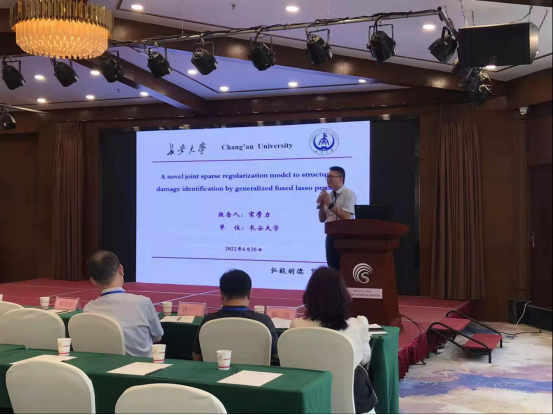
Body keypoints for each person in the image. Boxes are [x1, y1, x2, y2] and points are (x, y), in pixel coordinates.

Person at [291, 267, 375, 414]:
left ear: (310, 296)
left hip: (309, 398)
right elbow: (364, 359)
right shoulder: (358, 324)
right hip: (353, 399)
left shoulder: (296, 325)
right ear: (343, 295)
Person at [84, 250, 164, 357]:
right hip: (141, 364)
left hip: (105, 362)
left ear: (93, 281)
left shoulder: (89, 309)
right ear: (121, 269)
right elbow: (157, 336)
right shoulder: (142, 303)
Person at [192, 269, 278, 362]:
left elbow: (197, 357)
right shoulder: (263, 321)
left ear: (221, 294)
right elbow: (276, 355)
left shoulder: (208, 321)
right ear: (250, 294)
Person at [317, 166, 357, 270]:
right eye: (327, 177)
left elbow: (347, 217)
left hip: (344, 237)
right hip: (330, 236)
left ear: (340, 179)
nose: (328, 179)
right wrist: (322, 205)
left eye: (331, 177)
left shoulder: (349, 194)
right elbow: (322, 219)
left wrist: (330, 205)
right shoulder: (328, 196)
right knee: (332, 268)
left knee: (343, 268)